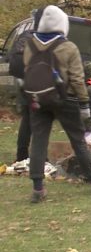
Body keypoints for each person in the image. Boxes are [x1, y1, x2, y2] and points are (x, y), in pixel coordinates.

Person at [23, 5, 91, 202]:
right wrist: (84, 106)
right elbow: (77, 79)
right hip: (66, 100)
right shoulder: (68, 47)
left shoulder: (29, 44)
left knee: (38, 141)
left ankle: (38, 188)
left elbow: (26, 72)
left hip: (38, 98)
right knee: (78, 140)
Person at [10, 8, 44, 163]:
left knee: (27, 120)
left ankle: (22, 154)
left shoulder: (25, 35)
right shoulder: (42, 38)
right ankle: (40, 157)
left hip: (22, 82)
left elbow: (12, 57)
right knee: (39, 120)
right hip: (37, 83)